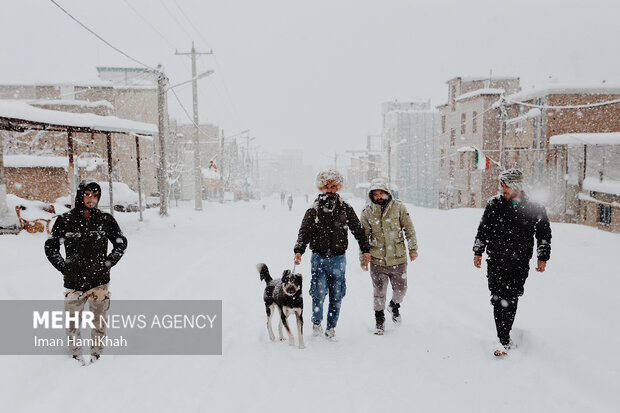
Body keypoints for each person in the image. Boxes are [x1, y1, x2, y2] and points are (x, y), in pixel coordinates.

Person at [45, 179, 127, 364]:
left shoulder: (106, 220)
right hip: (74, 283)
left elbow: (121, 243)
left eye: (95, 195)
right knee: (72, 322)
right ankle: (75, 355)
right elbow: (51, 248)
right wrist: (64, 267)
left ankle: (97, 353)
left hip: (99, 282)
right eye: (88, 194)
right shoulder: (65, 220)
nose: (92, 199)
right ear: (81, 195)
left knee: (99, 320)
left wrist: (107, 263)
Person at [473, 169, 551, 356]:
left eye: (506, 185)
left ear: (517, 186)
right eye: (502, 185)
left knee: (511, 299)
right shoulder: (494, 204)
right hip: (496, 261)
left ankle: (503, 335)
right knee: (497, 298)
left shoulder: (535, 207)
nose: (503, 189)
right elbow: (483, 229)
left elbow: (544, 234)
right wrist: (478, 251)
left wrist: (542, 257)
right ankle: (503, 337)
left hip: (519, 263)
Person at [294, 169, 370, 339]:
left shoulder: (345, 208)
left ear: (338, 187)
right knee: (318, 292)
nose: (330, 189)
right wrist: (299, 250)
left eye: (333, 186)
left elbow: (358, 229)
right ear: (321, 187)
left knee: (337, 293)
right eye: (326, 186)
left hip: (338, 259)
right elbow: (304, 231)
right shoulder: (313, 209)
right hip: (318, 257)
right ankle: (316, 323)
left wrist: (365, 249)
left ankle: (331, 326)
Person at [360, 179, 418, 335]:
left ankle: (394, 305)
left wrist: (413, 249)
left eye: (381, 193)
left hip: (398, 258)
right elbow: (363, 238)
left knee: (401, 289)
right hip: (377, 259)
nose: (379, 196)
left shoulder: (399, 208)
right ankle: (379, 319)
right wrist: (363, 259)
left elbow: (409, 230)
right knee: (379, 291)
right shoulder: (367, 212)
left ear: (387, 193)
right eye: (375, 194)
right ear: (371, 196)